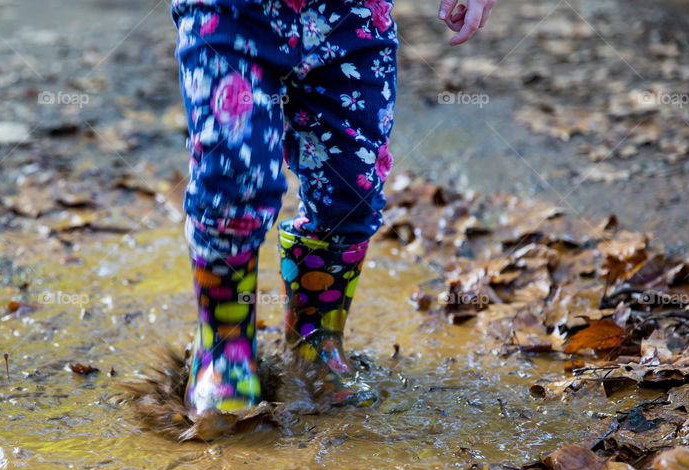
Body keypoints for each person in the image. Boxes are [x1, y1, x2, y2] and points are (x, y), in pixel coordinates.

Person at [173, 0, 497, 416]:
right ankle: (224, 346)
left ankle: (315, 339)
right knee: (235, 174)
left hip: (351, 16)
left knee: (351, 187)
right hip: (230, 14)